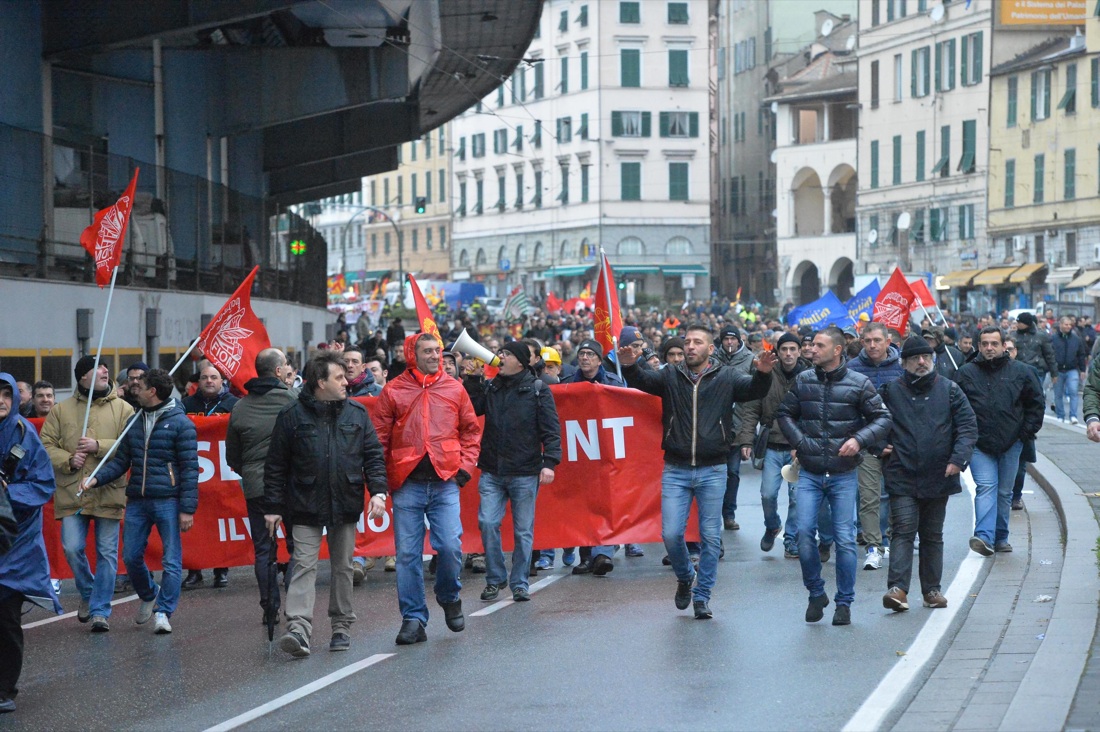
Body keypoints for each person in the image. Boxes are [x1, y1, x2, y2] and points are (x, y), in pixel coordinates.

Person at [620, 323, 775, 619]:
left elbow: (753, 390)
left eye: (697, 342)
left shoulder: (726, 376)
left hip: (713, 468)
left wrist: (764, 373)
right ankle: (685, 576)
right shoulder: (670, 374)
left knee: (711, 537)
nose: (690, 346)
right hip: (676, 468)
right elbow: (643, 381)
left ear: (710, 349)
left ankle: (702, 596)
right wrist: (629, 366)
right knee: (671, 533)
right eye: (687, 341)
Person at [262, 351, 387, 658]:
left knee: (343, 566)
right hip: (304, 502)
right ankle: (298, 629)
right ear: (320, 382)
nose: (346, 382)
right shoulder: (291, 415)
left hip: (345, 500)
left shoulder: (357, 413)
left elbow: (373, 456)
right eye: (339, 377)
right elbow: (276, 465)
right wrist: (273, 507)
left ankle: (341, 625)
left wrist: (379, 493)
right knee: (303, 564)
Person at [777, 327, 892, 626]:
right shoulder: (804, 380)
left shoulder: (858, 382)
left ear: (837, 350)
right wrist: (800, 442)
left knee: (844, 539)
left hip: (843, 473)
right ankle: (816, 593)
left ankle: (844, 603)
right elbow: (784, 413)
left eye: (819, 345)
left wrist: (859, 440)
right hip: (810, 472)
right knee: (804, 534)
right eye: (812, 345)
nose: (811, 349)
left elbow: (882, 418)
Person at [373, 334, 482, 645]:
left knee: (449, 546)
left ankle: (449, 596)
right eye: (428, 351)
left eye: (438, 351)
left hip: (445, 481)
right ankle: (413, 618)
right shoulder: (393, 390)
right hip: (407, 484)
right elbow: (378, 439)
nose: (436, 356)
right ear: (413, 355)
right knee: (407, 555)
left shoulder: (454, 388)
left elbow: (471, 432)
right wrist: (381, 482)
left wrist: (464, 469)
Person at [83, 368, 198, 635]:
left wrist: (187, 508)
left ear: (152, 391)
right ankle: (149, 592)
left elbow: (190, 468)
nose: (135, 386)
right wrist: (96, 479)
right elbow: (122, 461)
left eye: (140, 384)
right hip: (137, 499)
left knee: (171, 560)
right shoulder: (133, 420)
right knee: (131, 556)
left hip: (168, 500)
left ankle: (163, 612)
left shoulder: (181, 424)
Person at [879, 337, 977, 612]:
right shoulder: (890, 391)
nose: (921, 362)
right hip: (902, 472)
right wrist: (878, 445)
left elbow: (968, 426)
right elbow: (871, 420)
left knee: (932, 535)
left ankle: (932, 590)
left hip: (939, 472)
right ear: (904, 363)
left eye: (926, 357)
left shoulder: (950, 389)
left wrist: (958, 459)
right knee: (903, 530)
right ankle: (897, 589)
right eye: (914, 358)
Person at [40, 357, 133, 632]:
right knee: (72, 547)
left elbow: (131, 444)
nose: (105, 371)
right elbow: (45, 445)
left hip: (108, 490)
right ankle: (89, 591)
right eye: (98, 368)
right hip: (73, 491)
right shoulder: (61, 410)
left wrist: (98, 445)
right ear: (82, 377)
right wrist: (68, 459)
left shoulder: (124, 408)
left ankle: (100, 610)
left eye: (106, 367)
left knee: (107, 553)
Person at [469, 341, 561, 603]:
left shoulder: (538, 390)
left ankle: (519, 583)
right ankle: (495, 578)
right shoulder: (492, 387)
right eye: (500, 352)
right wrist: (473, 380)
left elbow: (551, 430)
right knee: (487, 523)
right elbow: (472, 409)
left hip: (525, 471)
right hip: (492, 470)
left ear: (520, 361)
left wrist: (549, 462)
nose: (500, 357)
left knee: (523, 531)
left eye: (506, 354)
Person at [0, 374, 62, 713]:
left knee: (6, 618)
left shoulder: (25, 435)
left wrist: (7, 492)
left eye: (6, 394)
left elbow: (43, 485)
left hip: (15, 543)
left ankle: (4, 689)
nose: (1, 401)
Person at [955, 326, 1044, 556]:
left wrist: (1025, 433)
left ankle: (1001, 537)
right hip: (979, 443)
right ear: (978, 346)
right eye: (984, 344)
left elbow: (1036, 404)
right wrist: (963, 436)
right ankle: (984, 536)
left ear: (1004, 345)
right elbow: (955, 407)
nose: (989, 348)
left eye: (994, 343)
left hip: (1012, 441)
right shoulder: (966, 373)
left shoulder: (1021, 371)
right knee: (986, 487)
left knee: (1004, 492)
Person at [225, 349, 298, 623]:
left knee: (264, 549)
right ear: (278, 371)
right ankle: (296, 599)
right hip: (291, 485)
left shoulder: (240, 407)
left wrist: (250, 473)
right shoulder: (293, 400)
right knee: (299, 545)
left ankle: (269, 608)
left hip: (258, 488)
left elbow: (232, 456)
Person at [736, 333, 810, 559]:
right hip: (772, 445)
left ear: (799, 351)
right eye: (784, 349)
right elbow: (751, 409)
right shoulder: (766, 374)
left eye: (793, 349)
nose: (788, 353)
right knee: (768, 494)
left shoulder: (809, 375)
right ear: (778, 352)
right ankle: (772, 526)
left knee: (797, 498)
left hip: (799, 447)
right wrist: (746, 439)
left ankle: (791, 540)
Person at [845, 322, 904, 571]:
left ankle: (892, 539)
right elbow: (849, 411)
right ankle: (873, 546)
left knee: (896, 496)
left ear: (888, 342)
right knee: (869, 498)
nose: (872, 345)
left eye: (877, 340)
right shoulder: (851, 369)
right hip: (866, 444)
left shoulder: (902, 367)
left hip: (898, 443)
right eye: (867, 341)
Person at [564, 339, 623, 574]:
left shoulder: (614, 382)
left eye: (590, 354)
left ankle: (603, 553)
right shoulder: (567, 383)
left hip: (608, 450)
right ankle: (587, 555)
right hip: (580, 452)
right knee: (583, 504)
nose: (585, 358)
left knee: (607, 502)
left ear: (599, 360)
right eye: (582, 354)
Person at [180, 361, 236, 590]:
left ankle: (221, 570)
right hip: (196, 475)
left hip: (223, 474)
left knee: (221, 522)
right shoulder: (186, 405)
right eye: (205, 378)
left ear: (222, 381)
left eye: (214, 377)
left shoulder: (234, 404)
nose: (209, 381)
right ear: (199, 381)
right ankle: (195, 571)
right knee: (197, 525)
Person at [352, 357, 396, 581]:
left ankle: (389, 551)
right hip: (350, 462)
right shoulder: (336, 395)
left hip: (376, 456)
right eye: (346, 361)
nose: (349, 366)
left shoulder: (383, 394)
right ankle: (360, 558)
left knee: (383, 504)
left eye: (354, 361)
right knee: (358, 510)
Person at [1051, 315, 1086, 424]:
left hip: (1072, 369)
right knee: (1058, 394)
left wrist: (1083, 369)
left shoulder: (1076, 339)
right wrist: (1051, 369)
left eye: (1070, 325)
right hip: (1058, 370)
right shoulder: (1053, 338)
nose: (1068, 326)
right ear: (1060, 324)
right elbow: (1049, 355)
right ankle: (1060, 415)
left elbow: (1081, 354)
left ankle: (1073, 415)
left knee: (1073, 392)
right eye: (1066, 324)